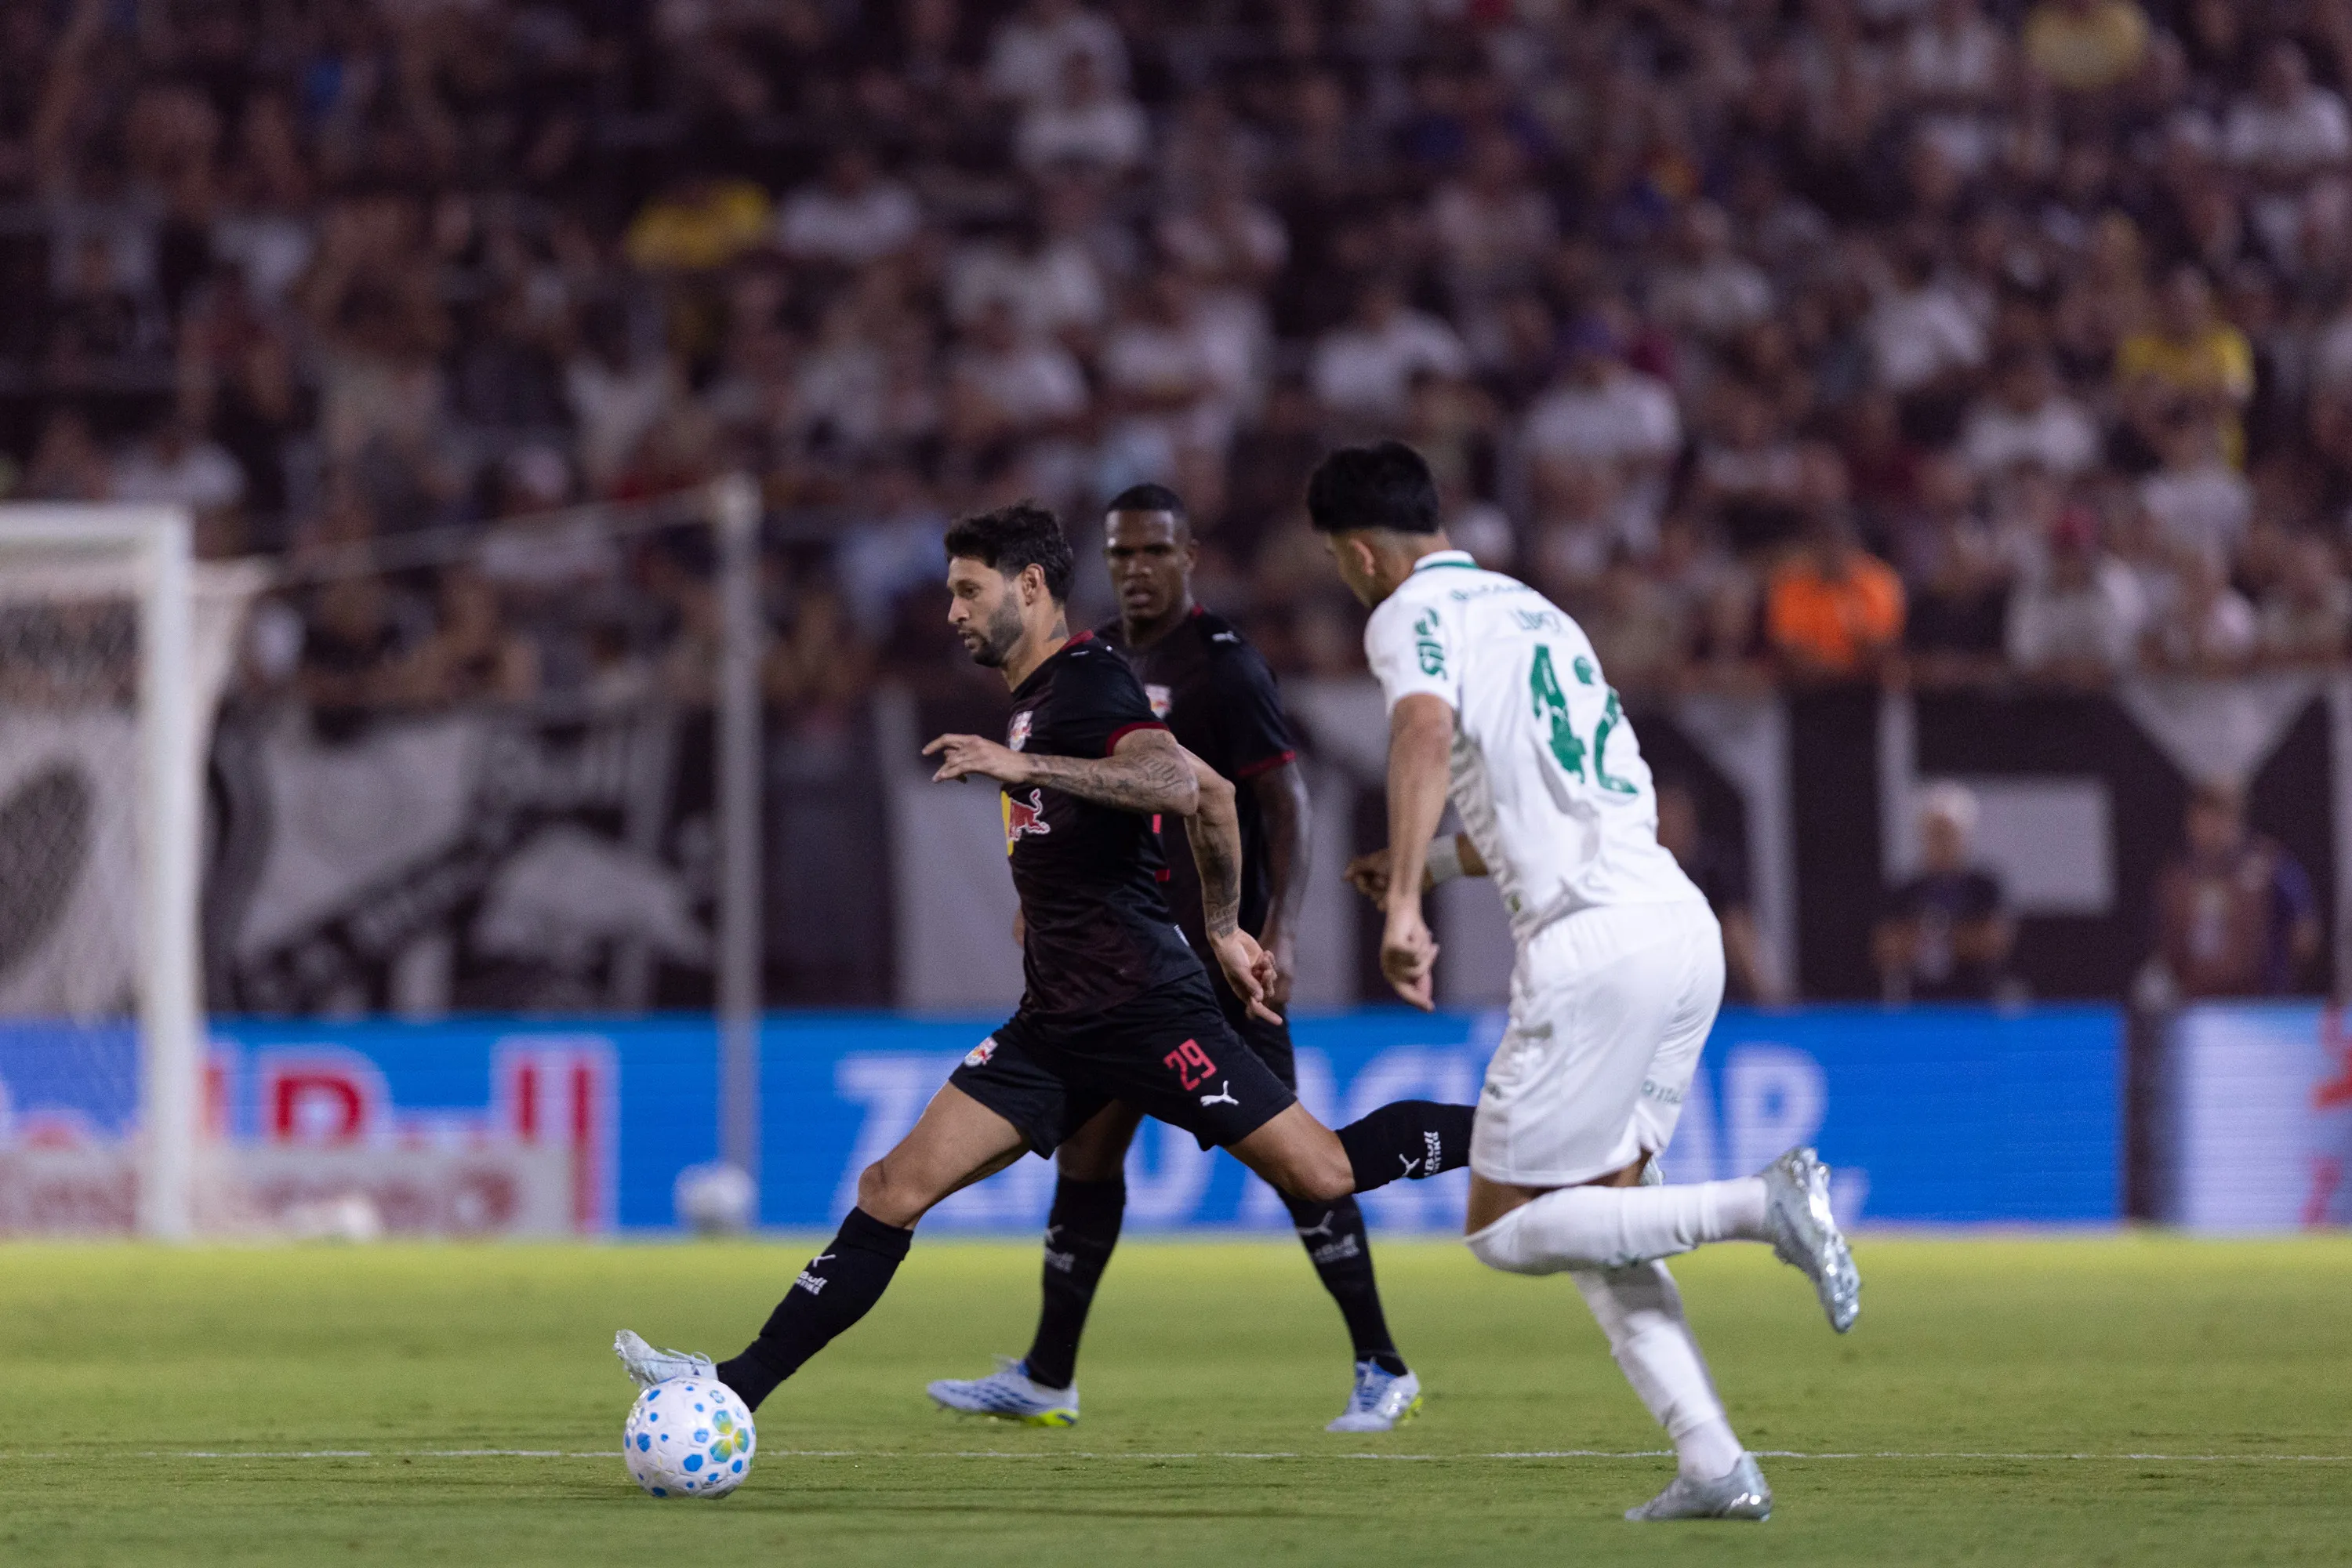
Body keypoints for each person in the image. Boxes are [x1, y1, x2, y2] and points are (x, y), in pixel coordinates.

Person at [615, 503, 1475, 1421]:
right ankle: (732, 1387)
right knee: (891, 1187)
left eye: (967, 590)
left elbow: (1180, 783)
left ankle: (1525, 1134)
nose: (952, 610)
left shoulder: (1084, 682)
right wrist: (1223, 925)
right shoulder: (1037, 698)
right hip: (1057, 1024)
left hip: (1149, 1013)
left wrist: (1032, 772)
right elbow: (1214, 795)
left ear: (1029, 587)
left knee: (1325, 1171)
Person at [1317, 441, 1857, 1524]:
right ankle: (1713, 1460)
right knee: (1600, 1222)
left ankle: (1761, 1203)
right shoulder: (1539, 614)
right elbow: (1568, 800)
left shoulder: (1407, 612)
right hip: (1676, 925)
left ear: (1362, 553)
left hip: (1593, 949)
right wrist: (1433, 863)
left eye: (1338, 560)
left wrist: (1407, 903)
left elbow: (1421, 728)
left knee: (1503, 1227)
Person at [925, 485, 1421, 1433]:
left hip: (1215, 963)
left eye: (1155, 551)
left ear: (1188, 556)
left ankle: (1381, 1362)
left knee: (1305, 1164)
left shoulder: (1222, 665)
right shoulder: (1099, 659)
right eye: (1121, 553)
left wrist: (1277, 930)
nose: (1136, 569)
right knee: (1089, 1151)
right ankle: (1048, 1372)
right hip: (1128, 960)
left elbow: (1279, 799)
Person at [2151, 782, 2321, 999]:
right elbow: (2164, 943)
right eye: (2205, 816)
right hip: (2195, 1002)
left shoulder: (2269, 865)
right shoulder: (2177, 878)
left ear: (2238, 817)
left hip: (2260, 1002)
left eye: (2222, 816)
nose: (2213, 827)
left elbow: (2305, 933)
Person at [1872, 782, 2013, 1004]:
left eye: (1948, 835)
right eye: (1934, 835)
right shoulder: (1905, 891)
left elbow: (1993, 941)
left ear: (1964, 837)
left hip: (1977, 1004)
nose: (1942, 844)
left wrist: (1931, 939)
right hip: (1920, 1005)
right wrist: (1958, 939)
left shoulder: (1985, 888)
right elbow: (1887, 947)